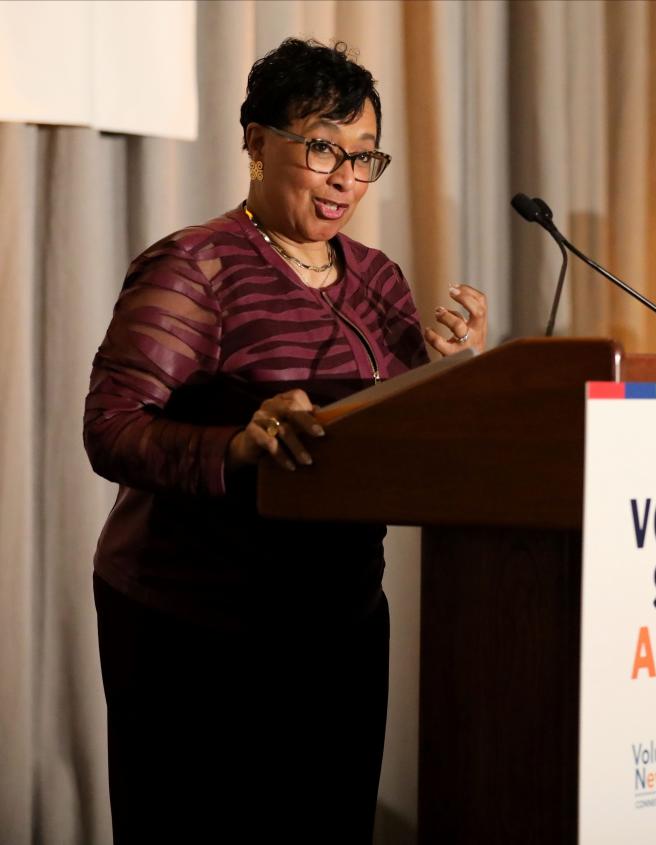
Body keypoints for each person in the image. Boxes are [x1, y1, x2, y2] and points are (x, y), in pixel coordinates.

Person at [83, 38, 487, 844]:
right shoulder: (195, 268)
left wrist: (453, 376)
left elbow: (387, 432)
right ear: (256, 141)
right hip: (195, 624)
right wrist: (237, 446)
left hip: (338, 618)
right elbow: (113, 428)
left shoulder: (377, 279)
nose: (345, 178)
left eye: (364, 156)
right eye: (323, 149)